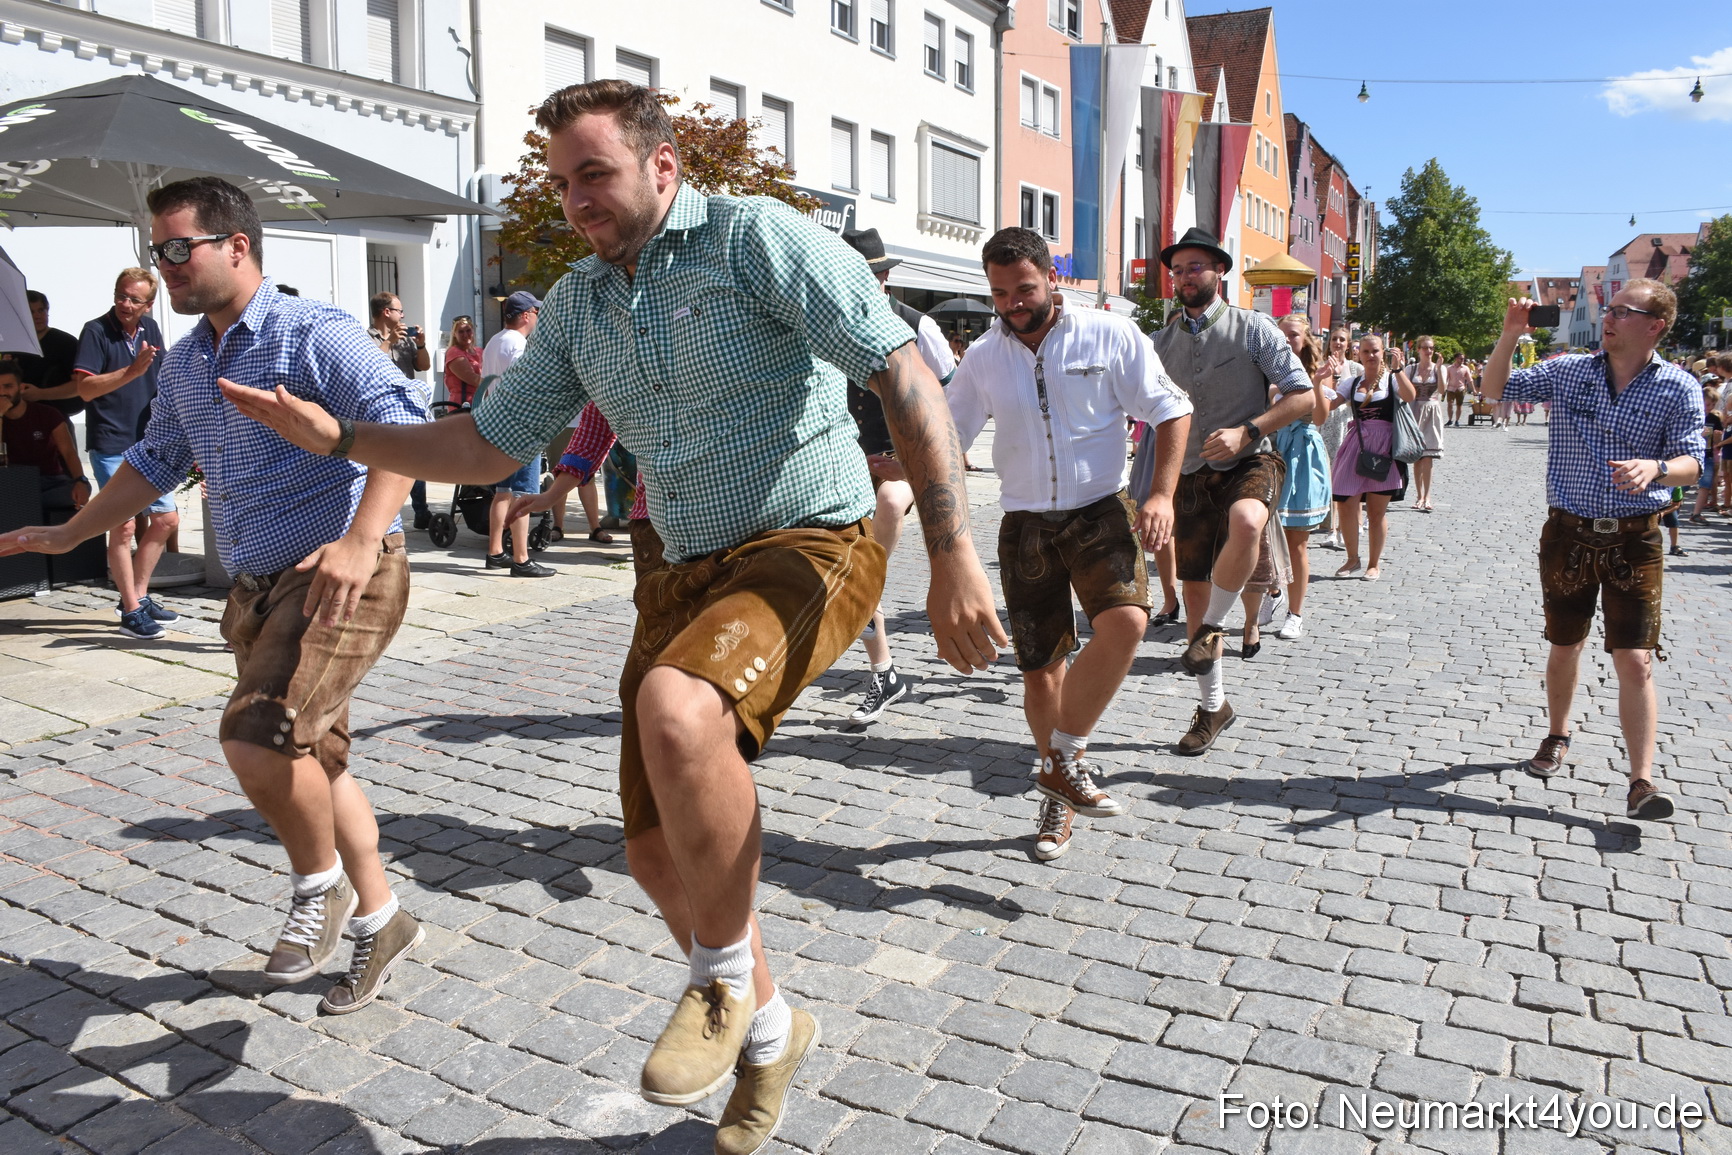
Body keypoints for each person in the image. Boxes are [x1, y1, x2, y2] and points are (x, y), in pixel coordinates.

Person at [213, 79, 1004, 1154]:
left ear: (662, 165)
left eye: (596, 173)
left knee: (681, 714)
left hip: (810, 538)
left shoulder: (754, 240)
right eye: (562, 180)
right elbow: (486, 446)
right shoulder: (580, 303)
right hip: (676, 563)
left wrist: (954, 553)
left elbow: (901, 371)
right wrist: (343, 439)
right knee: (648, 848)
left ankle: (721, 988)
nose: (578, 198)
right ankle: (773, 1028)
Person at [1, 176, 432, 1009]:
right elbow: (154, 461)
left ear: (236, 245)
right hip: (258, 588)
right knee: (318, 760)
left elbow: (405, 429)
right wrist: (70, 532)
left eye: (175, 248)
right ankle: (384, 920)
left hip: (343, 570)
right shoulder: (190, 358)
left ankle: (321, 887)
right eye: (153, 251)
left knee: (259, 733)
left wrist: (357, 539)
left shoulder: (315, 333)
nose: (162, 266)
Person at [946, 226, 1191, 860]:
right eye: (999, 293)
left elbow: (1171, 408)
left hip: (1100, 511)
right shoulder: (982, 357)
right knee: (1041, 671)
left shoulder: (1110, 334)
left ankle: (1063, 757)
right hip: (1024, 524)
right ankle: (1058, 793)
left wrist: (1161, 494)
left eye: (1023, 289)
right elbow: (947, 433)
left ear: (1050, 276)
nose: (1011, 304)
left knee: (1129, 623)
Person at [1480, 281, 1704, 822]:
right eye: (1610, 308)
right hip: (1569, 533)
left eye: (1625, 311)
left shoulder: (1678, 387)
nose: (1610, 317)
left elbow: (1693, 462)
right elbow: (1494, 391)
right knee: (1565, 645)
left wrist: (1657, 468)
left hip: (1635, 537)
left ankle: (1641, 782)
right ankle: (1558, 734)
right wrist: (1511, 335)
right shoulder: (1570, 369)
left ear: (1655, 325)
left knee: (1636, 659)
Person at [1149, 228, 1314, 756]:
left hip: (1251, 458)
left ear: (1219, 272)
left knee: (1248, 522)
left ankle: (1214, 627)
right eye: (1177, 270)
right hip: (1190, 473)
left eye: (1195, 267)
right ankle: (1213, 706)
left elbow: (1303, 395)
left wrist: (1250, 430)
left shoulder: (1253, 328)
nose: (1184, 277)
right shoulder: (1161, 341)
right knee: (1194, 593)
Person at [840, 227, 958, 724]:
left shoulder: (917, 324)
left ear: (884, 277)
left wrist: (925, 456)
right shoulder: (826, 321)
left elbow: (951, 392)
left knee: (888, 509)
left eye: (866, 276)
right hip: (846, 455)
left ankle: (865, 589)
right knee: (845, 557)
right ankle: (883, 669)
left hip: (901, 455)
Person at [74, 267, 180, 640]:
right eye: (121, 295)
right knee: (123, 526)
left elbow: (163, 379)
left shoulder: (150, 329)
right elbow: (84, 389)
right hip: (111, 443)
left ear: (149, 304)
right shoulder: (95, 330)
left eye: (135, 299)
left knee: (166, 521)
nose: (125, 303)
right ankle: (131, 609)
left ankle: (138, 594)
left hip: (148, 441)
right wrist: (131, 373)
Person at [478, 292, 554, 577]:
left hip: (497, 424)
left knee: (502, 492)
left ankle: (496, 551)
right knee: (524, 493)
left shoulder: (494, 341)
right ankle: (522, 559)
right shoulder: (519, 344)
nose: (538, 317)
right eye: (536, 312)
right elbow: (526, 387)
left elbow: (487, 384)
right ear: (525, 315)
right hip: (521, 427)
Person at [1328, 336, 1414, 581]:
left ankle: (1374, 564)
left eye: (1375, 350)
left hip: (1384, 446)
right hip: (1357, 445)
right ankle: (1352, 558)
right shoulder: (1353, 383)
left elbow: (1409, 395)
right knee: (1345, 502)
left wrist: (1398, 369)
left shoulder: (1391, 379)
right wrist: (1324, 378)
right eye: (1365, 351)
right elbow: (1332, 404)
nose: (1370, 355)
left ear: (1382, 352)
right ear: (1359, 354)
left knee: (1376, 512)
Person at [1271, 315, 1335, 641]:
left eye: (1292, 335)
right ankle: (1275, 590)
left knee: (1296, 542)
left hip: (1304, 455)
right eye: (1281, 335)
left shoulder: (1315, 372)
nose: (1286, 340)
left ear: (1305, 339)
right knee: (1266, 538)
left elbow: (1321, 417)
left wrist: (1320, 384)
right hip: (1273, 450)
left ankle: (1295, 614)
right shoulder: (1267, 368)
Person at [369, 292, 433, 529]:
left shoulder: (406, 338)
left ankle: (421, 510)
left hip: (408, 406)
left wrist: (421, 344)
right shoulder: (367, 338)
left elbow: (423, 365)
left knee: (416, 460)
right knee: (386, 462)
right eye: (400, 311)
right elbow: (371, 366)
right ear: (386, 312)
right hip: (383, 409)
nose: (403, 315)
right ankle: (386, 512)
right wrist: (389, 342)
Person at [0, 357, 90, 511]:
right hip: (12, 481)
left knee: (79, 490)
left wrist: (80, 480)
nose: (2, 393)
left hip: (50, 481)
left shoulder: (47, 414)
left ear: (20, 387)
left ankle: (26, 505)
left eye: (8, 386)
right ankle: (26, 505)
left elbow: (68, 452)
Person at [1315, 325, 1359, 551]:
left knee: (1346, 475)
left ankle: (1346, 526)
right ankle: (1331, 528)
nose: (1338, 343)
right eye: (1334, 339)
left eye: (1342, 339)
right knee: (1328, 474)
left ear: (1348, 344)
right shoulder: (1320, 367)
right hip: (1325, 424)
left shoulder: (1355, 368)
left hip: (1347, 423)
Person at [15, 290, 84, 429]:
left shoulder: (65, 343)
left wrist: (40, 394)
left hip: (55, 422)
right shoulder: (13, 345)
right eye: (31, 312)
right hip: (17, 422)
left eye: (41, 310)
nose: (37, 316)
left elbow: (81, 385)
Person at [1407, 336, 1447, 512]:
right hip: (1415, 409)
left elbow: (1443, 390)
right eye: (1425, 348)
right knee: (1417, 456)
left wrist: (1438, 369)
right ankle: (1418, 495)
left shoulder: (1439, 369)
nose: (1428, 351)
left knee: (1428, 456)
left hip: (1432, 410)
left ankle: (1428, 496)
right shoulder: (1411, 368)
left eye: (1431, 348)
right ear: (1418, 349)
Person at [1686, 385, 1721, 523]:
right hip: (1692, 454)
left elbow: (1717, 440)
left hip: (1708, 455)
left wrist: (1718, 436)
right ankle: (1673, 505)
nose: (1710, 407)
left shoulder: (1714, 418)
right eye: (1708, 404)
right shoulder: (1693, 414)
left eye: (1713, 404)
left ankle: (1696, 513)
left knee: (1705, 484)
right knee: (1684, 484)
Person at [442, 315, 482, 408]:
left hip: (480, 401)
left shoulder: (479, 351)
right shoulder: (454, 352)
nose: (465, 335)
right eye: (461, 332)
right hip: (463, 404)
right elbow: (473, 379)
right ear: (454, 334)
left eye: (468, 330)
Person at [1444, 351, 1472, 427]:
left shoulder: (1465, 368)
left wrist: (1474, 390)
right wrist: (1444, 388)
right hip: (1450, 389)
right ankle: (1450, 420)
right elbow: (1446, 378)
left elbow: (1470, 379)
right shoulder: (1449, 368)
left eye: (1463, 358)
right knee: (1450, 404)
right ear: (1456, 359)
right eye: (1461, 358)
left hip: (1460, 389)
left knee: (1459, 405)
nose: (1462, 360)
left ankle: (1457, 420)